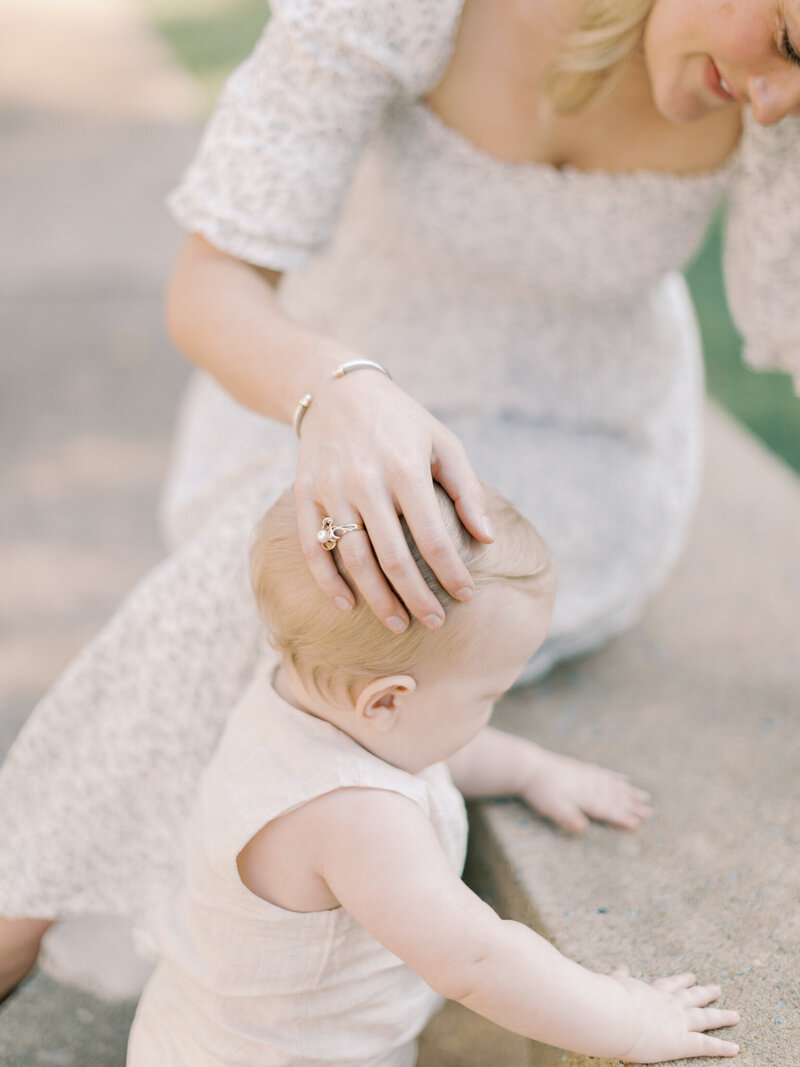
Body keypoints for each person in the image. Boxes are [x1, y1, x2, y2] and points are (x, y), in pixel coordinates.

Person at [1, 0, 799, 995]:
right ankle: (26, 905)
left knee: (377, 578)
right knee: (290, 561)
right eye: (785, 41)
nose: (775, 102)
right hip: (308, 391)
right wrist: (334, 390)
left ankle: (22, 914)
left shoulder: (778, 109)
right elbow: (210, 288)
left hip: (577, 448)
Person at [126, 484, 739, 1066]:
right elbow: (477, 960)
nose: (490, 712)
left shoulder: (307, 691)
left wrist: (529, 769)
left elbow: (430, 747)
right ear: (387, 701)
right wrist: (628, 1019)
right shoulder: (355, 818)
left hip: (195, 1034)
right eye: (488, 696)